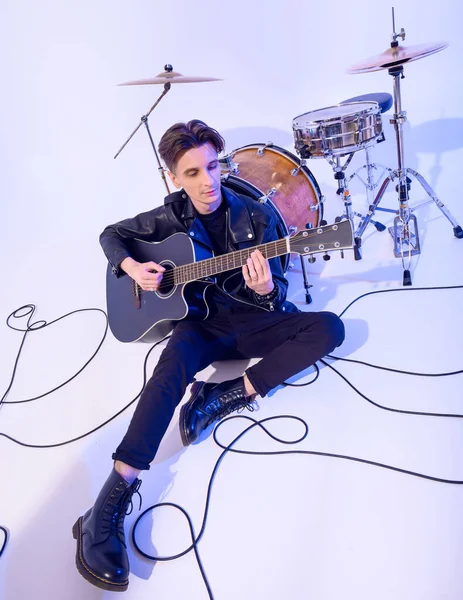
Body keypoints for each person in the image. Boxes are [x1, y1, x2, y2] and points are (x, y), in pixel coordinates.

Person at [73, 120, 345, 591]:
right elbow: (110, 235)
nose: (208, 181)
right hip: (197, 326)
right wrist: (135, 267)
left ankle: (226, 394)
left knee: (329, 328)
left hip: (248, 322)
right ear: (174, 178)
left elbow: (276, 297)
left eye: (213, 166)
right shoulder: (169, 215)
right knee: (168, 371)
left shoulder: (258, 218)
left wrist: (263, 290)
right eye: (193, 172)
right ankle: (108, 502)